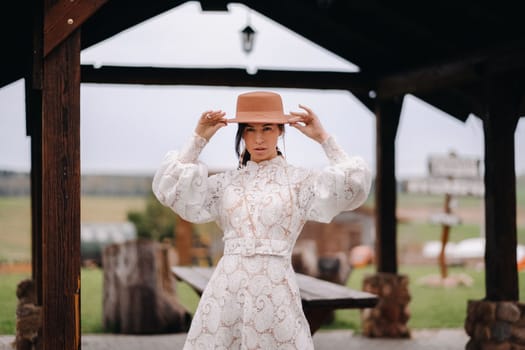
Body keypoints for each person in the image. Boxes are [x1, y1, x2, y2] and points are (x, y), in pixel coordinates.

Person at [152, 91, 371, 349]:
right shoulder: (225, 184)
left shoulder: (300, 182)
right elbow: (172, 189)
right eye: (249, 129)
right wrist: (198, 140)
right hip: (227, 289)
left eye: (267, 128)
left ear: (281, 131)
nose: (258, 138)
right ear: (241, 134)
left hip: (275, 289)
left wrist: (324, 139)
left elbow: (353, 184)